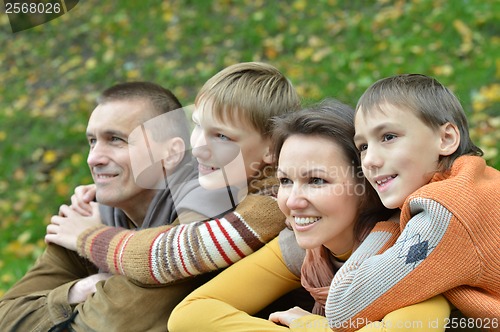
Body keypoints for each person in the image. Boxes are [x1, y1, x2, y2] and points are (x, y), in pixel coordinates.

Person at [1, 62, 301, 331]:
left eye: (116, 140)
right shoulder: (93, 209)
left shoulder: (266, 201)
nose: (94, 158)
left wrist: (89, 237)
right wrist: (77, 290)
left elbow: (171, 256)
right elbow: (6, 314)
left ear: (271, 150)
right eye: (91, 141)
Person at [168, 99, 452, 332]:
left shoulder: (411, 253)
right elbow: (190, 314)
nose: (292, 201)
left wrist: (309, 325)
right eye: (285, 181)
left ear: (365, 184)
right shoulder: (305, 248)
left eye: (317, 181)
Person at [318, 74, 500, 331]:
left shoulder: (444, 212)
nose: (369, 160)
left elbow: (341, 307)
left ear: (446, 139)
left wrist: (391, 221)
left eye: (388, 137)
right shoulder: (480, 182)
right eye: (362, 146)